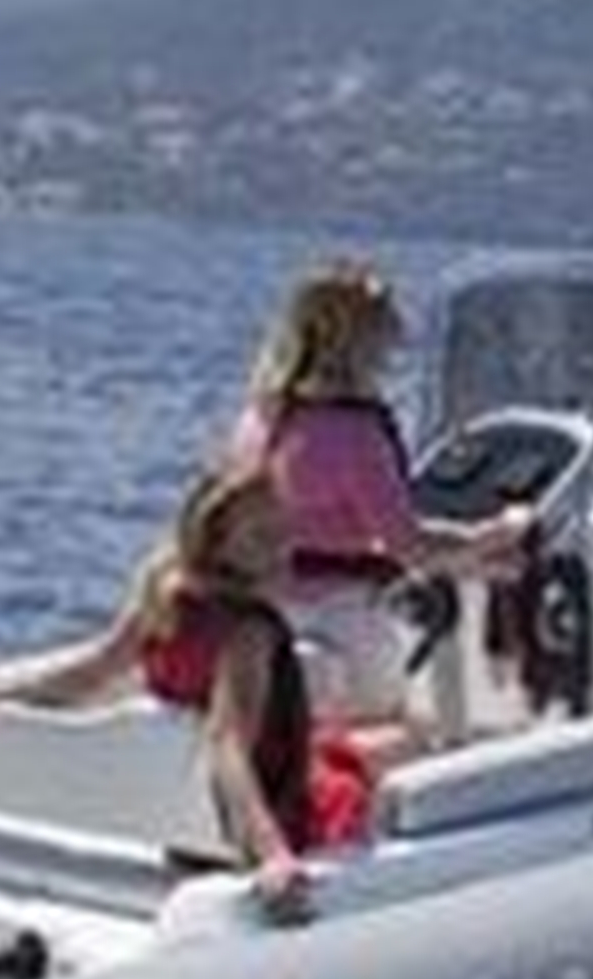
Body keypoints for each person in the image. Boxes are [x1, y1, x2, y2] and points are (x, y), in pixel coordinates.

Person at [0, 465, 418, 910]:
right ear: (218, 543)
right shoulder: (247, 633)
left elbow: (93, 669)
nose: (282, 548)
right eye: (261, 537)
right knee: (414, 748)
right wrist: (273, 854)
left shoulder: (165, 596)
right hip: (267, 808)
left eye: (284, 529)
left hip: (183, 821)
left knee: (385, 742)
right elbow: (227, 746)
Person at [227, 260, 530, 722]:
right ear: (362, 345)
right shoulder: (355, 434)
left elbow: (317, 533)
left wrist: (475, 559)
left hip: (262, 617)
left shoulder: (259, 422)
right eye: (386, 339)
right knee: (396, 726)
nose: (393, 351)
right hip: (343, 625)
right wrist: (499, 534)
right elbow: (407, 545)